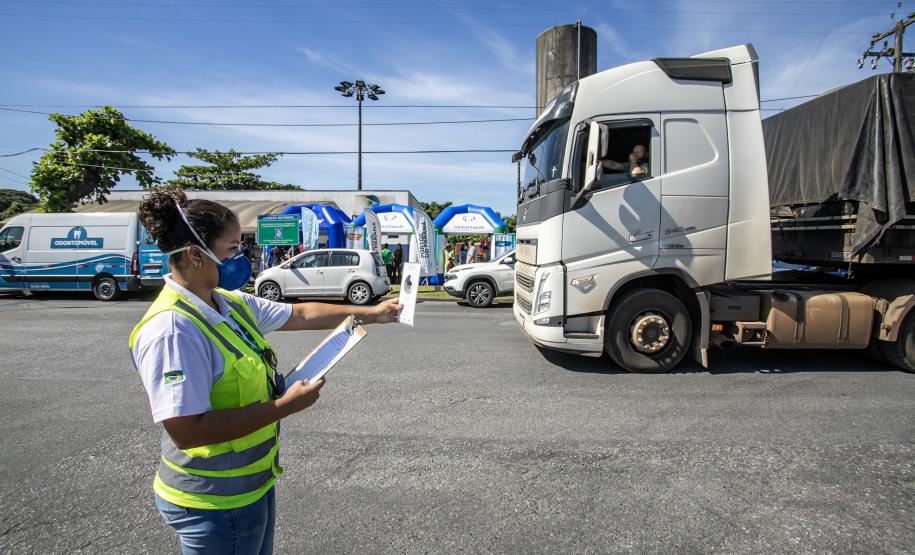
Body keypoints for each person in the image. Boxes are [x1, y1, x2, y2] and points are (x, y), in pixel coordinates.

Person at [130, 188, 402, 554]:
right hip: (212, 503)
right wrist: (284, 406)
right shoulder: (174, 329)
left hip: (249, 487)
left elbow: (301, 313)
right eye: (231, 250)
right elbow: (186, 431)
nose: (242, 258)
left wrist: (373, 313)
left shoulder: (228, 302)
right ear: (196, 255)